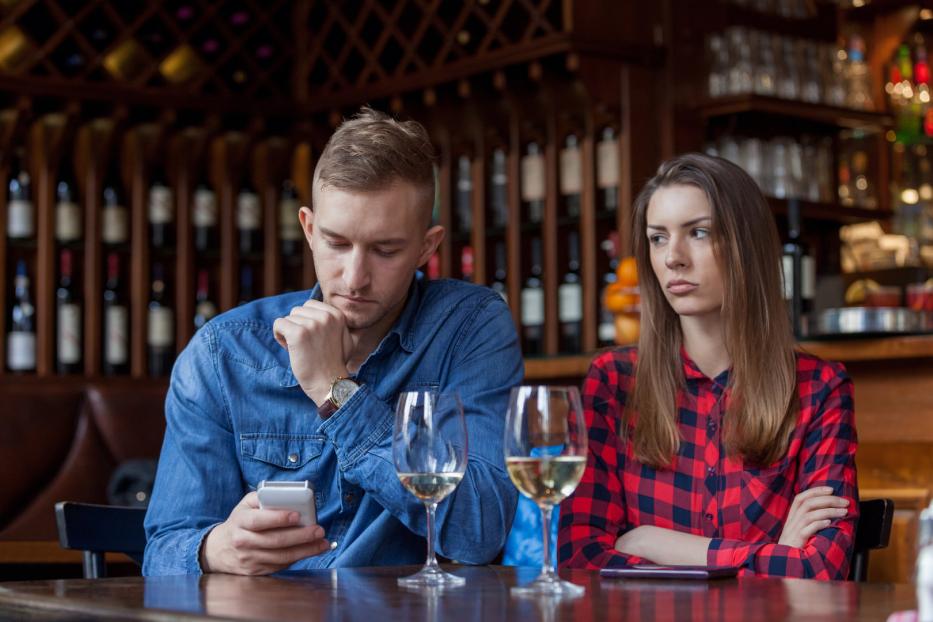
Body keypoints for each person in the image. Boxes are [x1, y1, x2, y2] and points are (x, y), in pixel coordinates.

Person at [143, 108, 522, 576]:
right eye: (336, 243)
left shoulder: (468, 328)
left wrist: (336, 391)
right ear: (307, 228)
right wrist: (214, 549)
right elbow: (162, 551)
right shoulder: (224, 353)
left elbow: (480, 531)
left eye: (386, 250)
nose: (354, 277)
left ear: (427, 247)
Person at [558, 153, 858, 580]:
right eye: (658, 238)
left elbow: (820, 569)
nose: (673, 258)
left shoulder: (819, 388)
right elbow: (579, 558)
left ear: (746, 247)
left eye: (698, 233)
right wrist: (772, 555)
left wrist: (651, 542)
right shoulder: (613, 381)